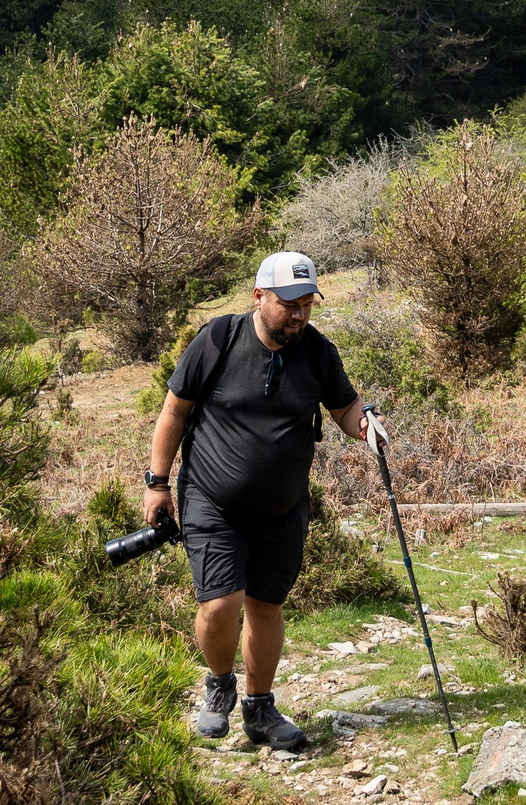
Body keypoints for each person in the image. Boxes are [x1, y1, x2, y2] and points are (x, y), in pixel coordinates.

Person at [144, 250, 371, 752]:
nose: (299, 314)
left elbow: (344, 408)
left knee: (267, 605)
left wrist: (366, 426)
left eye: (307, 303)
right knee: (220, 601)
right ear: (259, 296)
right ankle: (219, 683)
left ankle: (260, 709)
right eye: (289, 303)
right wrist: (157, 483)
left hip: (283, 508)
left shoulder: (317, 352)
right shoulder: (218, 340)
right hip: (211, 499)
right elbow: (174, 411)